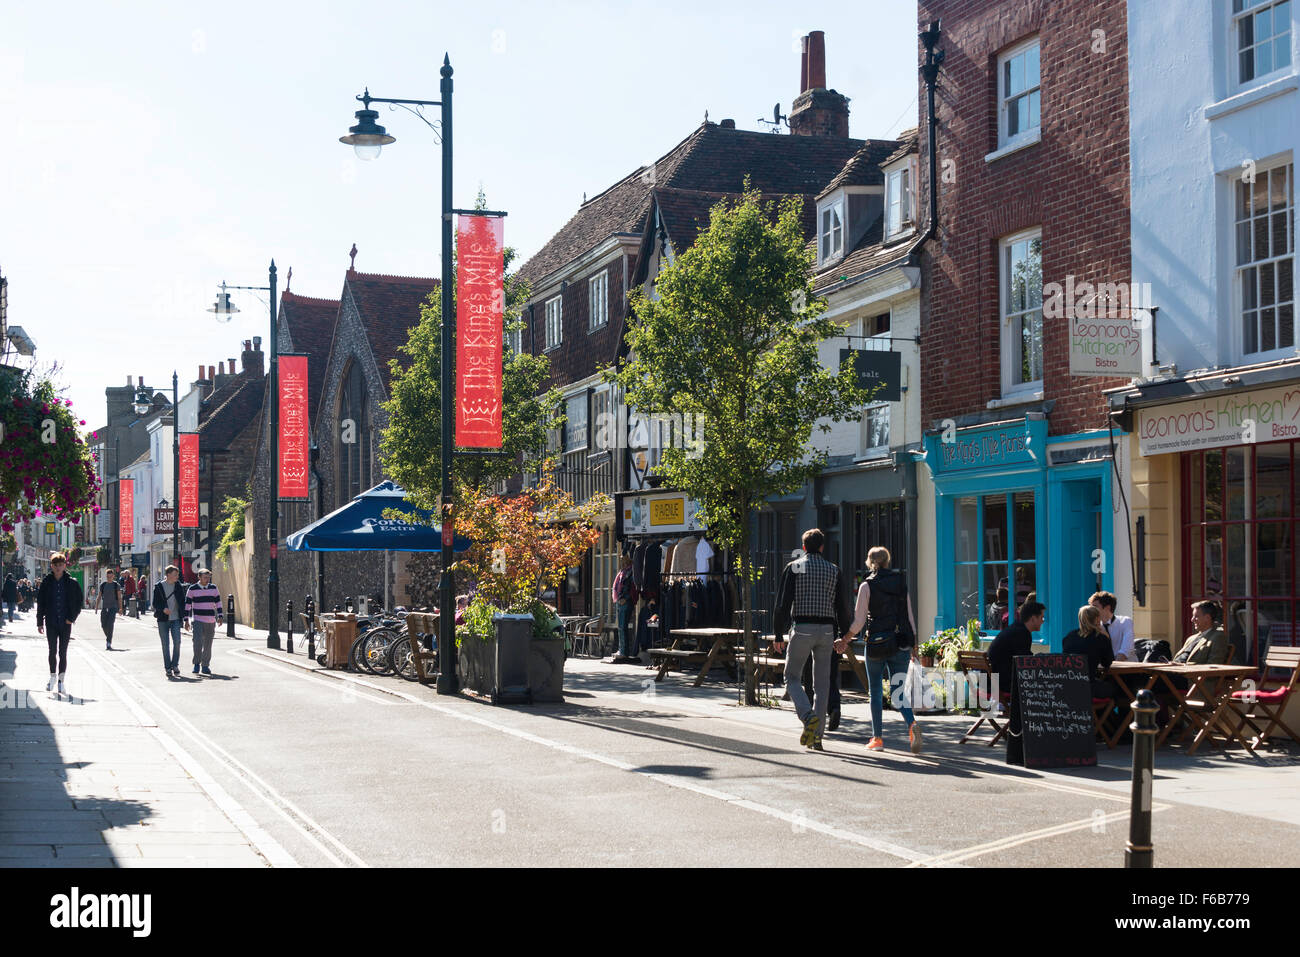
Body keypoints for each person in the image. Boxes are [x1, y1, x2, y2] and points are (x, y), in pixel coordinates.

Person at [772, 529, 853, 751]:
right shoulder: (834, 570)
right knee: (822, 684)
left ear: (804, 547)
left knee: (792, 676)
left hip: (802, 627)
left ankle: (808, 717)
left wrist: (778, 632)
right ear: (822, 547)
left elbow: (783, 602)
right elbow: (843, 606)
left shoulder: (795, 567)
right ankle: (817, 737)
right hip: (827, 630)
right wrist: (845, 636)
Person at [842, 546, 922, 753]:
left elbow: (859, 621)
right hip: (901, 641)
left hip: (877, 643)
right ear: (888, 561)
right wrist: (914, 643)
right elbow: (909, 614)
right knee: (898, 693)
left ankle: (877, 739)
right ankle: (912, 724)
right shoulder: (900, 582)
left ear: (870, 562)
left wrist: (845, 639)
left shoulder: (866, 586)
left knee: (875, 692)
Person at [988, 599, 1045, 766]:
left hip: (992, 682)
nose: (1043, 620)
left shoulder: (1015, 629)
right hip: (1003, 685)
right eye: (1041, 617)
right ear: (1032, 618)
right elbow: (1024, 663)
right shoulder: (1021, 633)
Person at [35, 554, 83, 696]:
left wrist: (72, 618)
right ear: (52, 566)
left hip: (65, 622)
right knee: (52, 651)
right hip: (51, 622)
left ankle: (61, 681)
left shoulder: (71, 583)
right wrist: (39, 622)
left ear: (64, 566)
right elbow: (41, 603)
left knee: (63, 652)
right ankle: (52, 677)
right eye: (55, 565)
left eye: (60, 564)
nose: (58, 567)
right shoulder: (46, 582)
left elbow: (79, 602)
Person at [1063, 604, 1119, 700]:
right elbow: (1107, 663)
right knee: (1117, 689)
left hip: (1068, 687)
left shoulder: (1069, 637)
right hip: (1089, 688)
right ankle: (1108, 714)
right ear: (1097, 619)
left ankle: (1101, 714)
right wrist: (1107, 637)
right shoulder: (1100, 638)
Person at [183, 567, 223, 675]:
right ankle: (196, 664)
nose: (207, 579)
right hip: (197, 620)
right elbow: (187, 605)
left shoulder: (213, 588)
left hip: (210, 620)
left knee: (208, 644)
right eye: (205, 577)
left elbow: (218, 603)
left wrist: (220, 616)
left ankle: (205, 665)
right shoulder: (192, 589)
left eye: (208, 577)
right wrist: (186, 620)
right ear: (199, 577)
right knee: (197, 643)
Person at [153, 565, 189, 678]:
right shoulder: (159, 587)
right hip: (163, 620)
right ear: (168, 575)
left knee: (177, 643)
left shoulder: (178, 586)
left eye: (177, 574)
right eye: (175, 575)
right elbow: (155, 603)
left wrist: (186, 619)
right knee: (165, 645)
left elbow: (182, 603)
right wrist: (163, 609)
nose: (177, 577)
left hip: (176, 619)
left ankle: (175, 665)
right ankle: (168, 667)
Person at [1173, 600, 1229, 665]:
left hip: (1189, 673)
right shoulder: (1191, 638)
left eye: (1196, 616)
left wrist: (1182, 666)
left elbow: (1213, 665)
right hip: (1172, 670)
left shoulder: (1218, 637)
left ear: (1207, 618)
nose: (1192, 620)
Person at [1089, 590, 1133, 661]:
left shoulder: (1125, 622)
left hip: (1128, 668)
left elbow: (1125, 650)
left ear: (1107, 608)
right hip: (1107, 669)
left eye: (1095, 607)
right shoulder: (1095, 626)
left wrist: (1112, 668)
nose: (1091, 611)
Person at [611, 552, 640, 663]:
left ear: (628, 560)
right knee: (620, 627)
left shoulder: (631, 571)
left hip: (626, 602)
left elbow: (633, 588)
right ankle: (621, 649)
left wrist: (626, 598)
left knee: (623, 627)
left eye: (623, 560)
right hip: (620, 601)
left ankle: (624, 651)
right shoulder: (623, 572)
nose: (621, 562)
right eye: (621, 560)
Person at [95, 568, 123, 650]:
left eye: (110, 577)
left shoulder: (116, 585)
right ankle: (109, 636)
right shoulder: (103, 585)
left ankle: (108, 642)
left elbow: (119, 597)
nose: (109, 578)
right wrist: (96, 607)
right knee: (103, 625)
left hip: (113, 608)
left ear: (113, 576)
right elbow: (99, 596)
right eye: (108, 577)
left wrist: (120, 608)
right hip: (104, 608)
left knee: (110, 624)